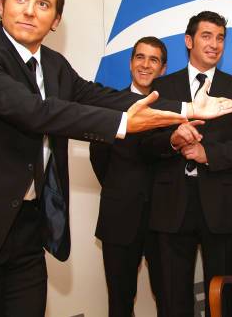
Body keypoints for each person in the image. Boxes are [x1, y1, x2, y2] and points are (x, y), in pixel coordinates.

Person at [0, 0, 232, 317]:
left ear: (55, 19)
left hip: (26, 229)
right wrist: (124, 124)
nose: (30, 11)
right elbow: (33, 111)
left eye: (43, 4)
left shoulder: (54, 64)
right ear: (1, 5)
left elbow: (101, 96)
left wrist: (188, 107)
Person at [142, 11, 232, 317]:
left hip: (219, 204)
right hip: (171, 205)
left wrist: (209, 154)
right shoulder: (162, 88)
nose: (214, 44)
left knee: (220, 299)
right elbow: (145, 144)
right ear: (189, 41)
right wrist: (174, 141)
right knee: (171, 297)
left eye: (220, 38)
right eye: (207, 36)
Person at [89, 37, 169, 317]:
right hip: (119, 217)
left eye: (153, 59)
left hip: (164, 220)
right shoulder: (109, 105)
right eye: (140, 57)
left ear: (163, 69)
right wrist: (122, 189)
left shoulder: (172, 110)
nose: (145, 65)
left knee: (169, 299)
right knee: (120, 303)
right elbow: (99, 159)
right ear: (130, 62)